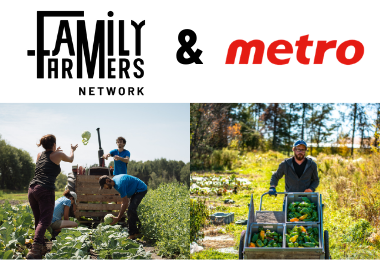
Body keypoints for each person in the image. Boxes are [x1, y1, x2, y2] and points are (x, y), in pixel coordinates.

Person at [27, 134, 78, 259]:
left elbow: (44, 165)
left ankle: (41, 246)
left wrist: (55, 152)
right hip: (45, 189)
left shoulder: (40, 155)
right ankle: (35, 250)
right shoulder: (58, 155)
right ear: (54, 144)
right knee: (45, 220)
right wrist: (72, 149)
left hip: (32, 189)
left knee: (39, 219)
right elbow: (71, 159)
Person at [98, 174, 147, 239]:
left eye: (104, 186)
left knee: (130, 210)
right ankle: (139, 231)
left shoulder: (119, 184)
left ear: (107, 181)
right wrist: (123, 205)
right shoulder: (115, 182)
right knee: (131, 210)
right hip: (135, 190)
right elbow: (124, 201)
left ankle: (133, 234)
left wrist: (118, 218)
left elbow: (125, 202)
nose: (105, 188)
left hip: (140, 189)